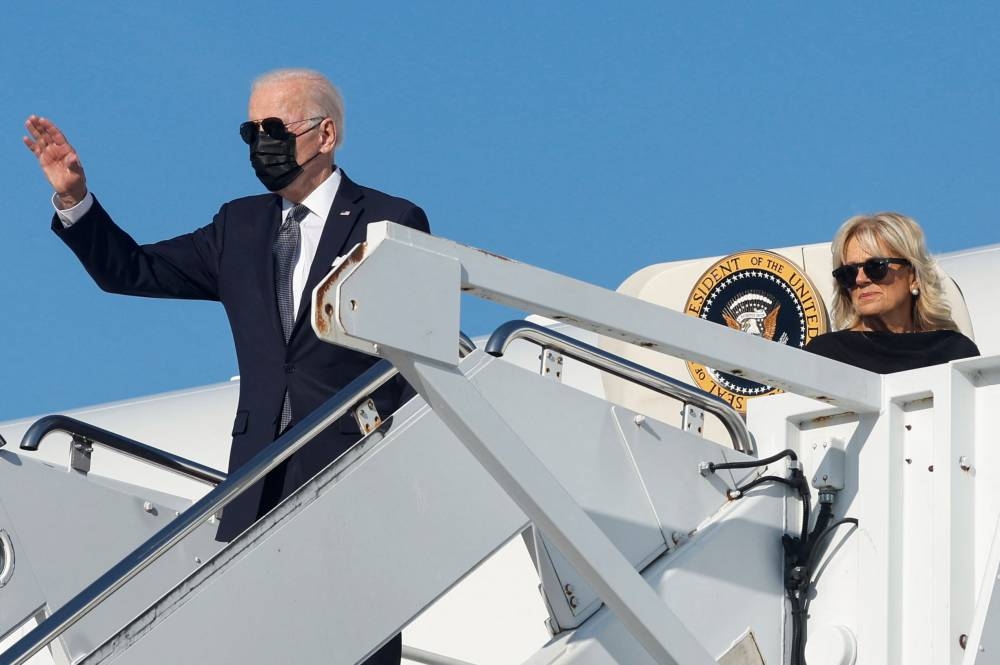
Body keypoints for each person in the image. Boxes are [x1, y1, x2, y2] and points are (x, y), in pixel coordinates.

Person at [24, 69, 427, 665]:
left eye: (274, 127)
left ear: (327, 133)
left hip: (352, 474)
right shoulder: (239, 226)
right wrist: (73, 199)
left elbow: (415, 360)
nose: (260, 142)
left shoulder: (390, 222)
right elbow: (130, 270)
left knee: (354, 641)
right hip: (255, 480)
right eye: (250, 130)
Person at [805, 212, 978, 373]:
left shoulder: (955, 351)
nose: (860, 279)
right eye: (848, 273)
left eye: (875, 267)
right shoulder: (825, 355)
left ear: (913, 276)